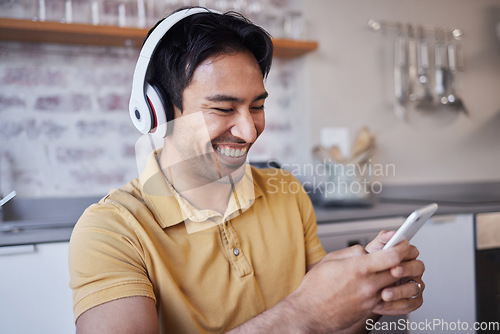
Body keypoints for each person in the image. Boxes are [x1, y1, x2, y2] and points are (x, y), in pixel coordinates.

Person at [68, 7, 425, 334]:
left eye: (256, 106)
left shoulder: (285, 190)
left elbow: (327, 325)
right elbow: (307, 318)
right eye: (223, 109)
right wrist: (304, 314)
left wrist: (367, 297)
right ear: (157, 113)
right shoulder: (111, 230)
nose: (250, 131)